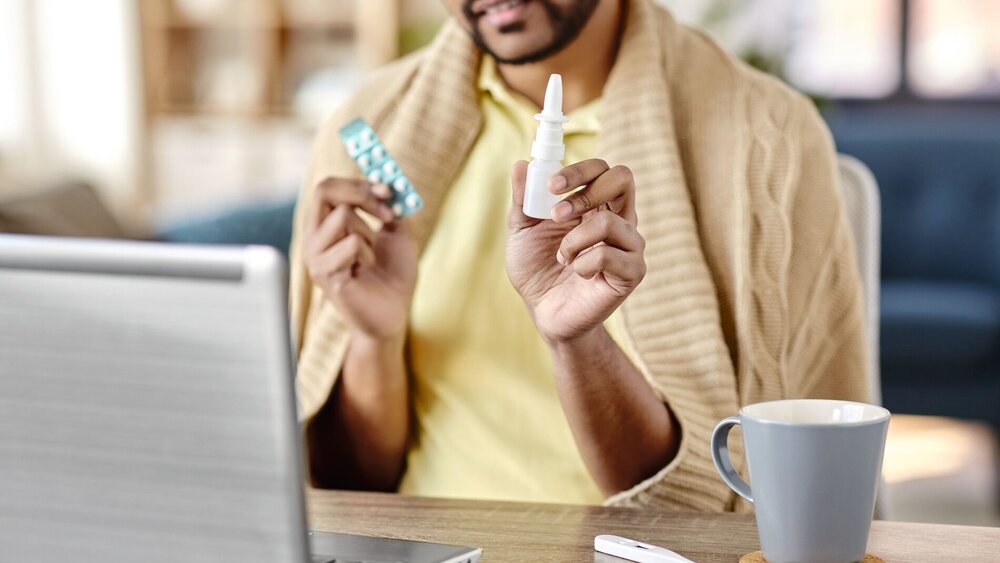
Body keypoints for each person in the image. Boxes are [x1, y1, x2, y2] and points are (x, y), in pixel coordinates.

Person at [289, 0, 869, 511]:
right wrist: (374, 337)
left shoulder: (768, 137)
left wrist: (577, 342)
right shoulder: (369, 127)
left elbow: (742, 495)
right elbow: (348, 485)